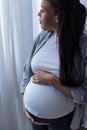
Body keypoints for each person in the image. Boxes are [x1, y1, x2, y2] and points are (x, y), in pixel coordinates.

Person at [20, 0, 87, 130]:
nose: (38, 14)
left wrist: (53, 81)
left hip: (63, 121)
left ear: (58, 17)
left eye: (43, 10)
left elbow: (85, 93)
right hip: (33, 117)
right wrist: (25, 104)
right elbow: (26, 71)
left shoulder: (83, 47)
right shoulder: (42, 37)